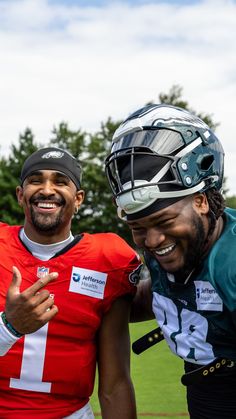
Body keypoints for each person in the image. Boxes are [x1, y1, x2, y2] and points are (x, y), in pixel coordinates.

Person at [105, 103, 236, 419]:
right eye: (138, 227)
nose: (151, 241)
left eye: (164, 222)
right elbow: (168, 294)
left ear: (201, 200)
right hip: (205, 391)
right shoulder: (187, 245)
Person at [0, 146, 142, 419]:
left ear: (78, 199)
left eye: (60, 181)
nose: (47, 189)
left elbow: (115, 384)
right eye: (36, 180)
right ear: (20, 195)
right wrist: (9, 327)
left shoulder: (107, 260)